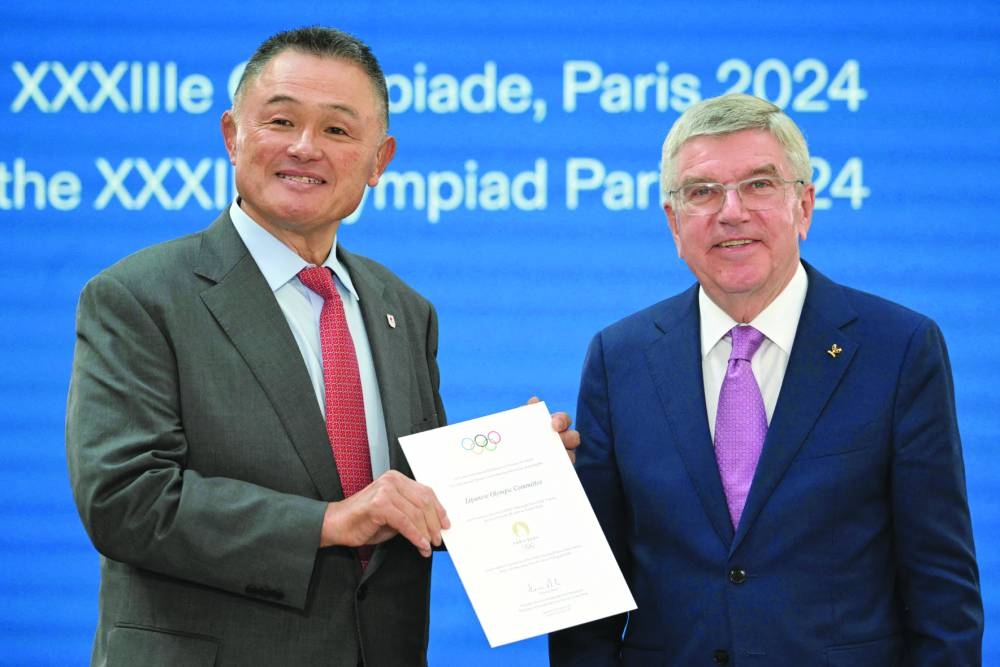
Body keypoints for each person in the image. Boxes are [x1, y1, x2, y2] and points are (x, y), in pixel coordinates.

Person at [66, 26, 577, 667]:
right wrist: (329, 522)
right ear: (232, 136)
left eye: (337, 130)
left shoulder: (402, 308)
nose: (305, 148)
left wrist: (510, 473)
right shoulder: (138, 296)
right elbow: (126, 501)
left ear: (378, 160)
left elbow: (399, 502)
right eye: (281, 121)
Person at [549, 93, 982, 665]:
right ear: (673, 223)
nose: (732, 212)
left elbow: (942, 592)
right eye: (702, 192)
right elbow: (592, 601)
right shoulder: (619, 357)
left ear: (804, 206)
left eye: (758, 184)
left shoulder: (899, 350)